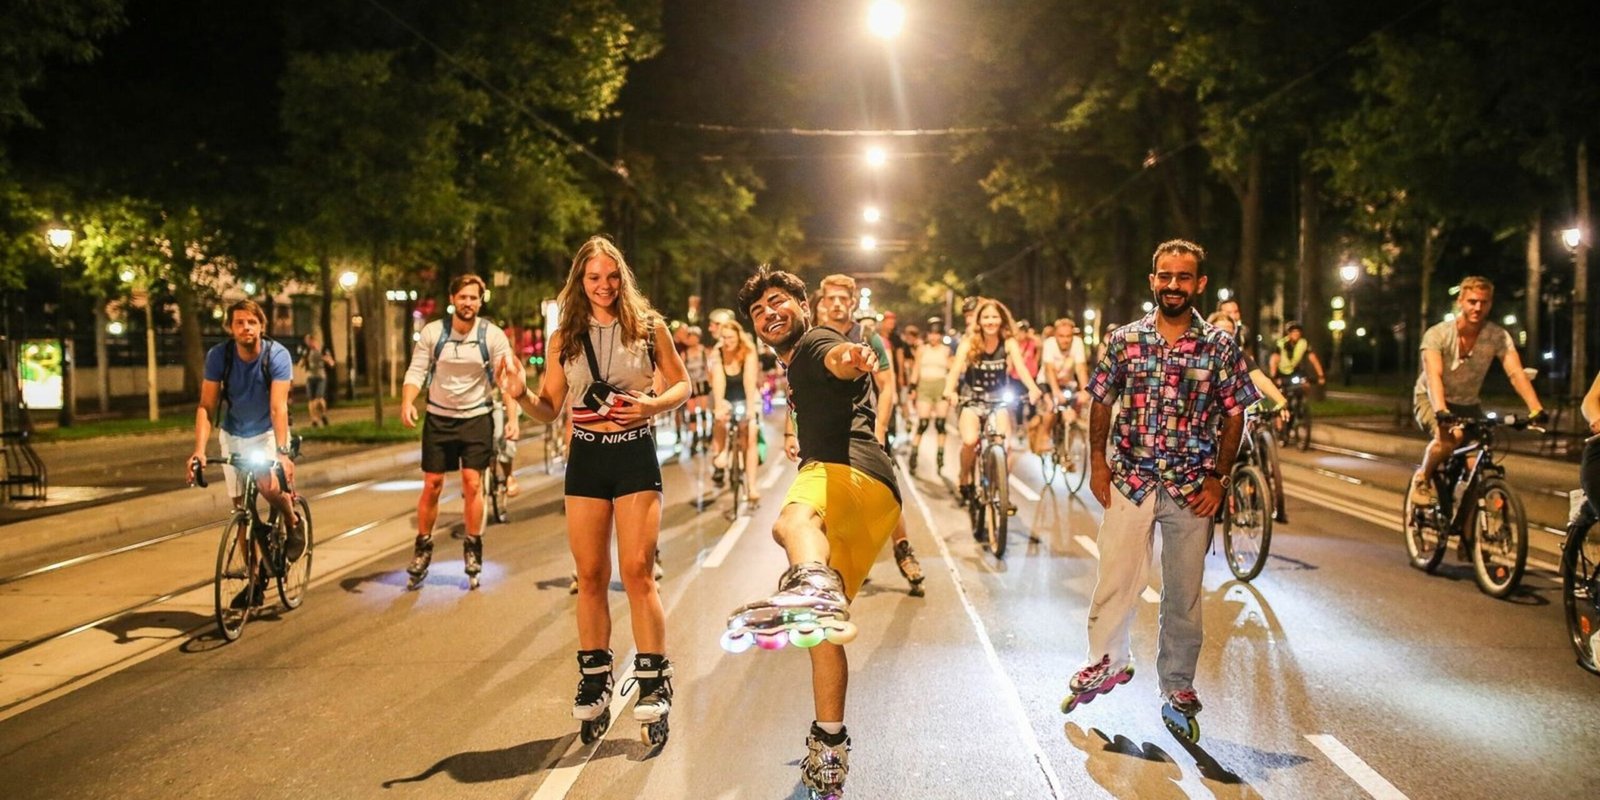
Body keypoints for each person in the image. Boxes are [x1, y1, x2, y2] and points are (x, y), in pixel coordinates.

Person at [1062, 239, 1258, 740]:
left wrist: (1219, 478)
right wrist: (1100, 464)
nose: (1174, 285)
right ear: (1153, 281)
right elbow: (1102, 400)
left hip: (1193, 485)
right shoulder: (1125, 340)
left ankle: (1177, 685)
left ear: (1200, 284)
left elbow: (1236, 412)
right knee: (1117, 577)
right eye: (1165, 276)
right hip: (1130, 476)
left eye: (1184, 277)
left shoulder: (1219, 345)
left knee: (1184, 594)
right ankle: (1106, 662)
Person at [498, 236, 689, 745]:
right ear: (579, 282)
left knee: (636, 571)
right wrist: (519, 393)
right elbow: (549, 407)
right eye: (593, 278)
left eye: (610, 277)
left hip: (633, 455)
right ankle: (595, 678)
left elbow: (681, 384)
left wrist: (650, 407)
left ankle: (653, 680)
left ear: (622, 278)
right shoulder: (565, 338)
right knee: (589, 574)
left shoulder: (650, 329)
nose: (603, 286)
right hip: (586, 456)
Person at [723, 265, 902, 798]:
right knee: (823, 630)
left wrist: (854, 355)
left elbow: (838, 358)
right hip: (877, 497)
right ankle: (830, 748)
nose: (768, 313)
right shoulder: (792, 361)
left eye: (777, 302)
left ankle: (813, 586)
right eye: (758, 311)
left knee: (789, 522)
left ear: (804, 305)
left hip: (844, 472)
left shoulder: (813, 344)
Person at [400, 274, 515, 589]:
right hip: (439, 417)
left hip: (477, 417)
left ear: (481, 301)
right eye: (462, 297)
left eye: (474, 298)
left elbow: (507, 379)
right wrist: (408, 402)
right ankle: (422, 548)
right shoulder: (433, 333)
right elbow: (417, 370)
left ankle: (473, 547)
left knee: (472, 482)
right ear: (452, 300)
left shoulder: (492, 335)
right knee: (433, 483)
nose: (468, 303)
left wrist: (513, 418)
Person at [188, 300, 302, 607]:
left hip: (267, 432)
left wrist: (282, 452)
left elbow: (279, 407)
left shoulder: (276, 355)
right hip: (234, 433)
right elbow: (207, 406)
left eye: (252, 322)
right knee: (241, 511)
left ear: (262, 326)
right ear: (230, 328)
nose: (246, 328)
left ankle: (292, 520)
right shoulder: (219, 356)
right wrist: (199, 451)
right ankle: (254, 579)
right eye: (239, 322)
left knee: (268, 485)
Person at [815, 274, 924, 594]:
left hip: (867, 429)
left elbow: (887, 386)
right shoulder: (814, 336)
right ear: (822, 302)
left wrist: (881, 428)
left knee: (885, 493)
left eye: (842, 299)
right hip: (827, 431)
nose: (836, 304)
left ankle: (903, 550)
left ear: (851, 303)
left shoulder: (868, 336)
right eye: (830, 298)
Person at [1409, 276, 1545, 506]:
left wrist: (1536, 408)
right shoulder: (1438, 334)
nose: (1478, 307)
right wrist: (1441, 410)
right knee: (1451, 439)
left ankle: (1468, 537)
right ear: (1460, 301)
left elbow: (1515, 373)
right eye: (1472, 301)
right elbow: (1434, 376)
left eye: (1484, 302)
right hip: (1431, 398)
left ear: (1490, 304)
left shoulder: (1497, 336)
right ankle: (1423, 477)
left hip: (1468, 402)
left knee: (1476, 467)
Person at [941, 298, 1042, 518]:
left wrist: (1033, 388)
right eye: (986, 317)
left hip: (998, 400)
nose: (990, 321)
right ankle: (964, 477)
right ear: (979, 320)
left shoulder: (1008, 343)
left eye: (995, 317)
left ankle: (1000, 492)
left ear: (1002, 319)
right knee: (969, 440)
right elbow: (956, 370)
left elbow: (1022, 369)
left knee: (1004, 445)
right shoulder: (969, 342)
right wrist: (950, 391)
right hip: (972, 398)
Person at [711, 318, 762, 509]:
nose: (727, 341)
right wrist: (719, 405)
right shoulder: (718, 352)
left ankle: (752, 487)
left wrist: (750, 409)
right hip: (726, 395)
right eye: (724, 337)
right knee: (719, 420)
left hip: (746, 395)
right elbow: (718, 380)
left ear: (738, 336)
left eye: (730, 337)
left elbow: (749, 382)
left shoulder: (748, 351)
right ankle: (721, 453)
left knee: (750, 433)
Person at [909, 319, 952, 473]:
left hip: (941, 385)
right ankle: (914, 454)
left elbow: (952, 369)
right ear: (927, 335)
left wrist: (953, 389)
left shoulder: (946, 350)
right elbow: (916, 368)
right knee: (923, 423)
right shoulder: (922, 349)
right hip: (925, 386)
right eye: (932, 334)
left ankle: (940, 457)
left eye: (937, 334)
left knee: (941, 424)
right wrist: (912, 387)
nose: (934, 337)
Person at [681, 325, 714, 458]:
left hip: (702, 383)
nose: (692, 339)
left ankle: (705, 436)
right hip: (691, 385)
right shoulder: (685, 354)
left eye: (694, 337)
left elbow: (708, 368)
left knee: (704, 412)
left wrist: (711, 382)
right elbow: (682, 369)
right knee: (692, 414)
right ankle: (695, 439)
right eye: (690, 337)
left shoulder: (703, 351)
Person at [1268, 321, 1327, 388]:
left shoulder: (1304, 343)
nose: (1296, 333)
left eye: (1298, 331)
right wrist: (1274, 376)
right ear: (1289, 333)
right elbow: (1274, 359)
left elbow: (1314, 359)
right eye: (1293, 331)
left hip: (1294, 371)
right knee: (1278, 390)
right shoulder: (1281, 343)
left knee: (1305, 384)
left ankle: (1304, 397)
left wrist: (1321, 375)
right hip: (1281, 372)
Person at [299, 333, 333, 427]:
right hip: (310, 377)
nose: (308, 344)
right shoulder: (307, 351)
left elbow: (331, 363)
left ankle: (323, 415)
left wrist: (326, 359)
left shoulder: (323, 349)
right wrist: (303, 360)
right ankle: (314, 420)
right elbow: (300, 364)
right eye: (307, 342)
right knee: (311, 400)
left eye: (309, 341)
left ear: (314, 340)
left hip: (321, 377)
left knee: (319, 400)